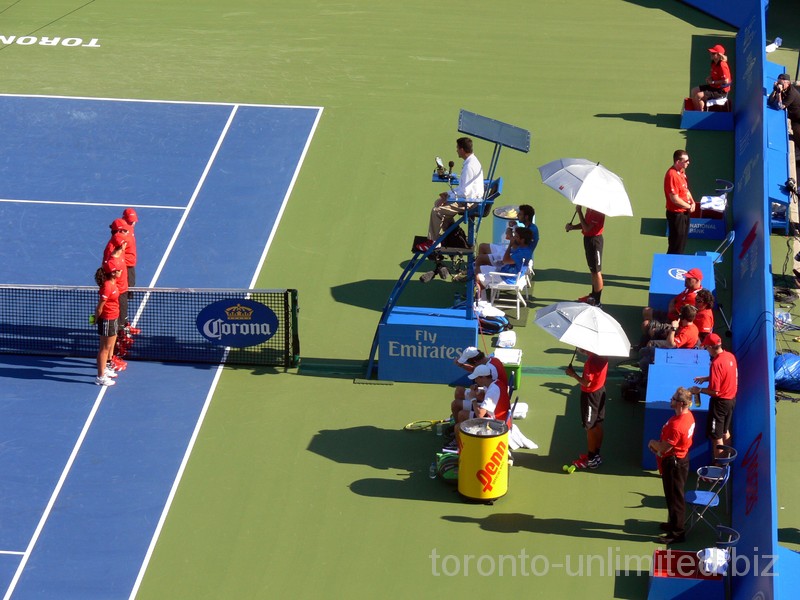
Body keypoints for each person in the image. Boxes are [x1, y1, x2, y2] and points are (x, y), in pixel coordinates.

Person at [415, 137, 484, 252]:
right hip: (470, 198)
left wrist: (449, 198)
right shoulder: (472, 161)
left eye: (457, 148)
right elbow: (463, 188)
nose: (456, 150)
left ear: (462, 149)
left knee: (436, 211)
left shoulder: (469, 166)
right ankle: (451, 234)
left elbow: (465, 193)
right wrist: (447, 194)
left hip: (470, 202)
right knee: (438, 202)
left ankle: (432, 243)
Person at [647, 387, 695, 544]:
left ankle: (678, 533)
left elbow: (663, 448)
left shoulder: (677, 426)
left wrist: (653, 443)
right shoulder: (688, 416)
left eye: (673, 398)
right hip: (680, 460)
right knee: (673, 495)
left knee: (675, 498)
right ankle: (674, 523)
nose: (671, 400)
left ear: (681, 403)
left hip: (674, 464)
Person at [690, 333, 738, 460]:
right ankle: (728, 460)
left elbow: (715, 392)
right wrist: (706, 378)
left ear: (711, 347)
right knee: (725, 431)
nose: (706, 350)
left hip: (719, 404)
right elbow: (726, 376)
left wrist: (698, 390)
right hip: (731, 400)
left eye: (707, 348)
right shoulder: (730, 356)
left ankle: (719, 469)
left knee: (716, 437)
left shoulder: (715, 364)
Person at [444, 363, 510, 453]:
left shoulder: (493, 390)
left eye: (476, 378)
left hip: (495, 424)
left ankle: (461, 450)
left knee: (458, 427)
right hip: (495, 417)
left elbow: (480, 415)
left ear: (483, 377)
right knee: (461, 414)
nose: (475, 380)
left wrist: (473, 399)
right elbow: (484, 398)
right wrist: (477, 391)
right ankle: (461, 439)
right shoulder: (493, 383)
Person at [565, 349, 608, 469]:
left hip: (590, 396)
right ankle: (596, 455)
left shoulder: (591, 362)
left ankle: (590, 460)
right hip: (600, 391)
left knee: (590, 427)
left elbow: (586, 383)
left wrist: (572, 374)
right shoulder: (604, 356)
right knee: (598, 423)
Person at [642, 267, 703, 341]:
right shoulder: (688, 289)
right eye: (686, 278)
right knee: (646, 311)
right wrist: (672, 307)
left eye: (689, 279)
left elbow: (674, 310)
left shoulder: (694, 297)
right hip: (670, 316)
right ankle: (652, 333)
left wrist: (672, 307)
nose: (686, 280)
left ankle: (649, 341)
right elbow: (674, 300)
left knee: (646, 324)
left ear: (697, 280)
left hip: (676, 324)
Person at [638, 305, 699, 378]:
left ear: (682, 317)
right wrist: (669, 332)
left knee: (644, 361)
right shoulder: (691, 327)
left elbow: (671, 344)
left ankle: (648, 375)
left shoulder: (687, 332)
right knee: (642, 351)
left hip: (676, 354)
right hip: (677, 349)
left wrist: (673, 329)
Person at [450, 347, 508, 420]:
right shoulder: (491, 360)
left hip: (494, 402)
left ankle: (458, 426)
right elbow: (476, 371)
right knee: (459, 390)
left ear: (475, 361)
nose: (475, 380)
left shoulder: (492, 371)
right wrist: (462, 365)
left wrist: (473, 398)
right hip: (493, 394)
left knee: (459, 409)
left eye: (469, 362)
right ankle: (459, 422)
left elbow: (491, 395)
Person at [475, 227, 534, 299]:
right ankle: (480, 292)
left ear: (522, 240)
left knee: (477, 277)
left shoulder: (521, 253)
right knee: (477, 269)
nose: (514, 238)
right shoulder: (525, 249)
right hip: (508, 272)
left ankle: (482, 301)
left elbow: (505, 260)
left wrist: (510, 245)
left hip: (506, 278)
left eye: (516, 236)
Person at [475, 204, 539, 270]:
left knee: (480, 259)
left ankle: (477, 273)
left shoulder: (531, 231)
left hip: (512, 257)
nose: (517, 216)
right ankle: (480, 271)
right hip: (512, 252)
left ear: (526, 217)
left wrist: (510, 235)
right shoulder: (531, 228)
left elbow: (515, 246)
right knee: (482, 247)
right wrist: (514, 226)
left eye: (520, 214)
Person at [565, 206, 605, 306]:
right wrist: (573, 227)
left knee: (597, 272)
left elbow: (587, 228)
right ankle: (593, 296)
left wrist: (579, 212)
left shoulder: (598, 211)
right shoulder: (590, 208)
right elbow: (585, 224)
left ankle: (597, 301)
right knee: (592, 271)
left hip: (595, 242)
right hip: (588, 240)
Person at [95, 258, 123, 386]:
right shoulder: (107, 286)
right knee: (104, 348)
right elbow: (100, 306)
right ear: (112, 273)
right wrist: (96, 319)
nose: (121, 271)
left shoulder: (113, 282)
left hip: (113, 317)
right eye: (118, 270)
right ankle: (100, 377)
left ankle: (104, 369)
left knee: (110, 346)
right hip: (107, 319)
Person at [664, 150, 696, 255]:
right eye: (686, 161)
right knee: (675, 245)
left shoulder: (681, 172)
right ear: (678, 162)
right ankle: (670, 266)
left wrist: (693, 202)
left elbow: (686, 190)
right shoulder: (672, 175)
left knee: (682, 242)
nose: (688, 162)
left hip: (685, 213)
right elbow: (675, 199)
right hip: (677, 215)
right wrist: (688, 206)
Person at [768, 74, 800, 167]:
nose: (779, 85)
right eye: (778, 82)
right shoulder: (782, 89)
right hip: (794, 117)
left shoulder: (792, 93)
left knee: (797, 132)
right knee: (796, 133)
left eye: (781, 83)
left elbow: (779, 106)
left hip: (798, 118)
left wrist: (778, 94)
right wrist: (775, 90)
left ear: (788, 83)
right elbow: (770, 101)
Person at [690, 44, 732, 111]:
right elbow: (715, 74)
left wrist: (712, 82)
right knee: (693, 91)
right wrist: (709, 78)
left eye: (713, 53)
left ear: (718, 55)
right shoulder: (713, 63)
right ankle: (694, 112)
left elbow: (726, 81)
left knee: (698, 96)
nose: (710, 54)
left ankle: (699, 114)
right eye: (711, 53)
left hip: (720, 91)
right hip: (713, 87)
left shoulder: (722, 65)